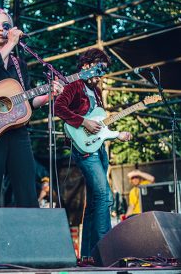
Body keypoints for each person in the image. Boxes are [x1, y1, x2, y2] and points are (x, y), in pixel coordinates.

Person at [0, 8, 63, 243]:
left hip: (18, 133)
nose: (2, 29)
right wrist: (10, 43)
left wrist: (48, 95)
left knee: (27, 193)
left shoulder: (19, 64)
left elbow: (27, 101)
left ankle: (30, 247)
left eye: (6, 26)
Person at [54, 48, 133, 259]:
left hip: (98, 148)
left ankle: (91, 255)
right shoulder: (75, 85)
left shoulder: (97, 92)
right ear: (86, 65)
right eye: (99, 68)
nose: (101, 73)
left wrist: (116, 134)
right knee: (104, 196)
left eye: (104, 70)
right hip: (85, 150)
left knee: (93, 204)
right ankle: (108, 253)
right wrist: (83, 121)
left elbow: (100, 124)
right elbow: (58, 108)